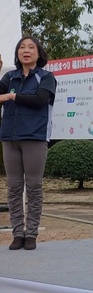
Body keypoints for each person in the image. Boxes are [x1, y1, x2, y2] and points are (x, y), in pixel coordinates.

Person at [0, 36, 57, 250]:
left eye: (31, 47)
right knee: (13, 188)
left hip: (35, 137)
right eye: (22, 48)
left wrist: (12, 97)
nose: (26, 51)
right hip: (9, 138)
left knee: (33, 187)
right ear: (17, 54)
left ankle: (31, 233)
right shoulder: (9, 76)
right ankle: (17, 234)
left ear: (38, 53)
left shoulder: (46, 77)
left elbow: (40, 100)